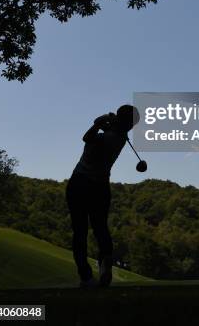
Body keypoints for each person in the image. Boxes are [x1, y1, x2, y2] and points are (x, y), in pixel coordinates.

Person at [66, 104, 140, 288]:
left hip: (80, 183)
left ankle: (85, 276)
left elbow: (87, 137)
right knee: (100, 228)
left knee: (80, 231)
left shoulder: (109, 137)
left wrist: (99, 122)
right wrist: (108, 122)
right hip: (100, 187)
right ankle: (105, 263)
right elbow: (110, 129)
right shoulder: (120, 137)